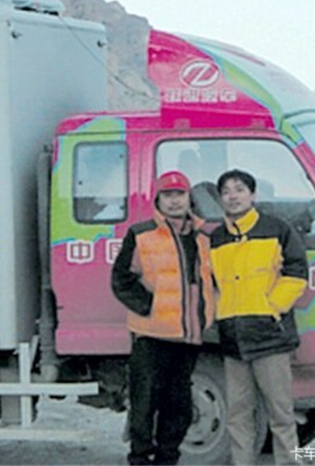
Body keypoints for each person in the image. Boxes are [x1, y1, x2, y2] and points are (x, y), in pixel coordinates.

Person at [111, 171, 215, 466]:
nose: (174, 201)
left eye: (179, 194)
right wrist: (148, 307)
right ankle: (140, 458)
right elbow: (121, 279)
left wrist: (207, 316)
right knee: (144, 404)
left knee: (179, 407)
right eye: (167, 195)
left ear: (189, 198)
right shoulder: (141, 234)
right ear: (158, 200)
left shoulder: (203, 237)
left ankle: (168, 459)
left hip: (188, 336)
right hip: (151, 336)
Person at [209, 169, 308, 466]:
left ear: (252, 195)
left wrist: (271, 308)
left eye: (239, 189)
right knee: (238, 414)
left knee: (281, 413)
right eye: (226, 191)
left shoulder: (276, 229)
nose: (233, 196)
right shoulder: (216, 239)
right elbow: (212, 284)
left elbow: (297, 272)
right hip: (233, 340)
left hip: (269, 337)